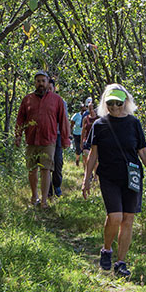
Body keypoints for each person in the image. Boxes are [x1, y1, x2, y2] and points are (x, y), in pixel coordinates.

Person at [81, 84, 146, 278]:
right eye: (110, 103)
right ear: (105, 104)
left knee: (128, 220)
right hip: (108, 176)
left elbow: (142, 150)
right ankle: (107, 250)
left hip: (131, 177)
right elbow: (93, 154)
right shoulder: (99, 125)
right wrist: (87, 179)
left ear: (125, 102)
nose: (114, 107)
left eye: (118, 102)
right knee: (114, 216)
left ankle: (121, 262)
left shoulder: (134, 123)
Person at [16, 71, 70, 208]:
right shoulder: (27, 99)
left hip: (48, 140)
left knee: (46, 169)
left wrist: (65, 140)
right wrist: (18, 136)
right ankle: (34, 197)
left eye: (43, 81)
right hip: (31, 140)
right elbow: (20, 119)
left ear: (48, 82)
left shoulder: (56, 100)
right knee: (32, 169)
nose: (40, 83)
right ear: (34, 83)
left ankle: (44, 201)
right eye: (38, 81)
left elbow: (63, 121)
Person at [47, 78, 70, 198]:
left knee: (58, 161)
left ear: (54, 89)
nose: (48, 91)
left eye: (50, 88)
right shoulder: (40, 101)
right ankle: (48, 191)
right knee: (46, 164)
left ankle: (57, 184)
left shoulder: (61, 102)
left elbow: (65, 121)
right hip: (45, 136)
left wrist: (67, 137)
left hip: (58, 135)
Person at [71, 102, 87, 167]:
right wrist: (70, 133)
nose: (84, 111)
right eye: (83, 110)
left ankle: (84, 164)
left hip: (84, 135)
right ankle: (77, 160)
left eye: (85, 110)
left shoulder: (87, 116)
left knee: (84, 149)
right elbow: (71, 124)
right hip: (76, 134)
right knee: (78, 148)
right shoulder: (76, 115)